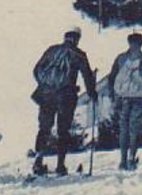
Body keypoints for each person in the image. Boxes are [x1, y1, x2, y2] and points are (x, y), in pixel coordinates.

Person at [31, 27, 97, 176]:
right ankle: (60, 166)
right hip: (66, 96)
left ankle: (38, 161)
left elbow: (36, 70)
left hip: (46, 95)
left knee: (44, 129)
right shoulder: (79, 55)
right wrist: (92, 94)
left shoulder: (52, 50)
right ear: (77, 39)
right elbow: (87, 76)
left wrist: (45, 85)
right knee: (63, 130)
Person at [106, 32, 142, 170]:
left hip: (123, 98)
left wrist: (112, 96)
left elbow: (111, 78)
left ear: (128, 43)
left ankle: (123, 161)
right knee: (134, 128)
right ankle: (131, 159)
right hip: (140, 98)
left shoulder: (121, 58)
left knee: (124, 129)